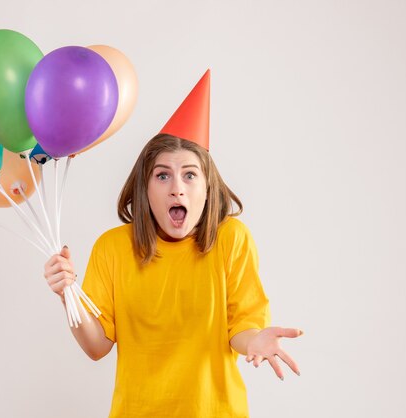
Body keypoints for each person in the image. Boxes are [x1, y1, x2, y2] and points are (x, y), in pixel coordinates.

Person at [43, 70, 302, 417]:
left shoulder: (231, 239)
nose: (176, 188)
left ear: (207, 187)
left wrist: (254, 340)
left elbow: (240, 326)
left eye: (190, 175)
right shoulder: (113, 247)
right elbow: (96, 346)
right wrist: (68, 296)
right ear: (145, 188)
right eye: (162, 175)